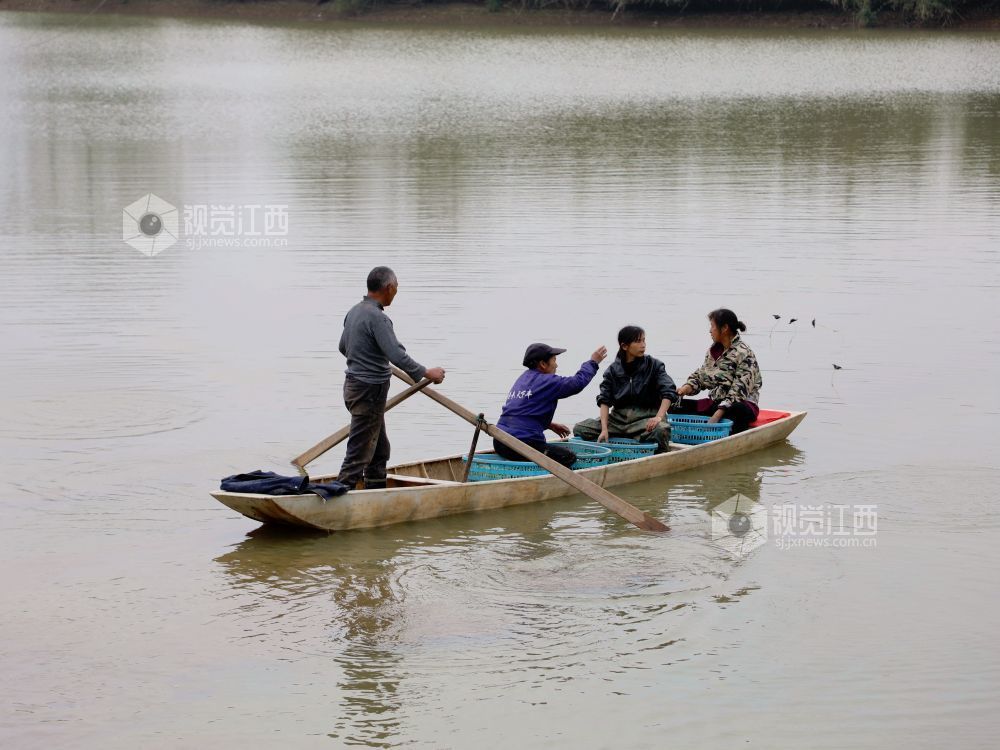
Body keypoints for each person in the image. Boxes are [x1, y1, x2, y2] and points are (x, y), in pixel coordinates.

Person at [337, 267, 446, 490]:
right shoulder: (378, 318)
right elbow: (396, 355)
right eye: (396, 288)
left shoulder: (354, 311)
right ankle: (335, 495)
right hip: (369, 391)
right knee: (359, 452)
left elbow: (343, 347)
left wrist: (367, 358)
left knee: (379, 449)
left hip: (353, 387)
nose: (396, 293)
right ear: (388, 288)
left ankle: (375, 492)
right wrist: (427, 372)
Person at [494, 343, 608, 468]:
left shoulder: (522, 380)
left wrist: (548, 425)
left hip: (500, 441)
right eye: (554, 360)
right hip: (521, 445)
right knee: (568, 457)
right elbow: (576, 383)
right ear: (543, 364)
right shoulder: (547, 381)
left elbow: (520, 413)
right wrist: (593, 362)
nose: (556, 365)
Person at [572, 325, 677, 453]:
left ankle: (657, 456)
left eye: (644, 340)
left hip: (645, 419)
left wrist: (659, 417)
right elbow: (604, 401)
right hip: (618, 421)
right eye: (638, 341)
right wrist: (604, 429)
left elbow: (668, 391)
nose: (643, 345)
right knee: (580, 428)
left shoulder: (654, 365)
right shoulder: (612, 370)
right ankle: (623, 441)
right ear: (624, 346)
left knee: (661, 429)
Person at [672, 308, 762, 434]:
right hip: (716, 402)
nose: (710, 331)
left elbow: (738, 392)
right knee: (673, 404)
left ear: (724, 328)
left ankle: (728, 441)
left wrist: (716, 416)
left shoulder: (744, 353)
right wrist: (686, 388)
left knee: (737, 409)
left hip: (741, 405)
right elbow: (702, 376)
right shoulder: (713, 351)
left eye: (712, 326)